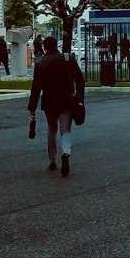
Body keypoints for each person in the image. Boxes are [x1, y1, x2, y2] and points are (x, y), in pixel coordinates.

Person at [27, 35, 85, 176]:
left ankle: (52, 160)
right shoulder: (67, 58)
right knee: (65, 129)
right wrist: (80, 96)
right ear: (56, 46)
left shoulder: (41, 64)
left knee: (51, 129)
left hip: (49, 102)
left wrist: (32, 108)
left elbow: (36, 88)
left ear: (45, 47)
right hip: (66, 101)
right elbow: (80, 78)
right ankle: (66, 153)